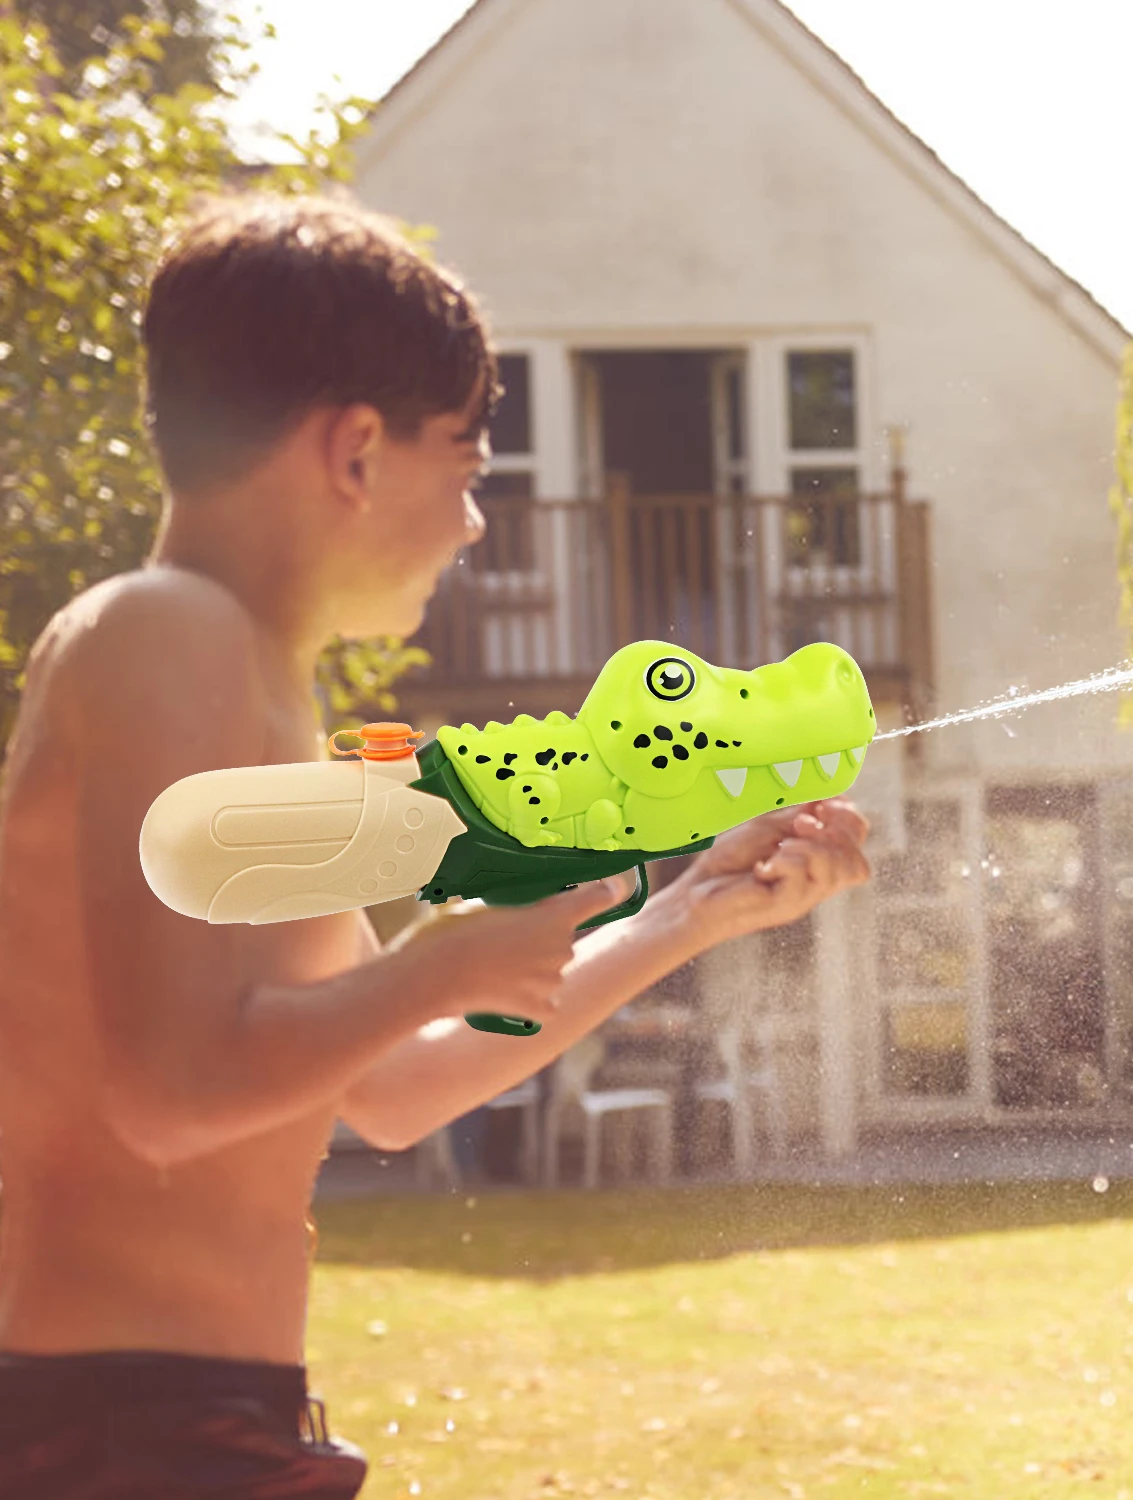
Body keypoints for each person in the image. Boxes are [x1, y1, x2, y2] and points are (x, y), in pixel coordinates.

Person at [0, 194, 871, 1498]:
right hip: (123, 1435)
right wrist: (440, 963)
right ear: (357, 450)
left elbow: (391, 1087)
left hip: (190, 1421)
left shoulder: (231, 684)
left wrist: (686, 915)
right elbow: (168, 1094)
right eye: (465, 466)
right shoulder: (164, 635)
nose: (472, 522)